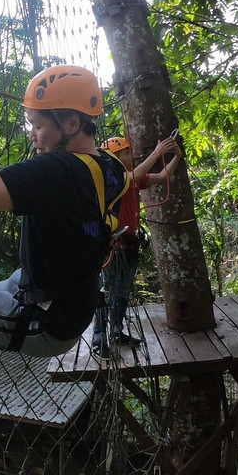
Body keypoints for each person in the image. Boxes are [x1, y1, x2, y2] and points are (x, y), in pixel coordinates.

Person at [0, 65, 129, 374]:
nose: (32, 135)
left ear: (72, 123)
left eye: (38, 125)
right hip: (74, 304)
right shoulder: (110, 165)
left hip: (45, 327)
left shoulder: (58, 170)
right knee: (8, 282)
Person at [91, 135, 182, 359]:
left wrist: (176, 157)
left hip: (129, 244)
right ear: (115, 156)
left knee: (121, 293)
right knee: (106, 293)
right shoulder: (112, 178)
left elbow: (161, 177)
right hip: (112, 247)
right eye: (125, 152)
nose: (129, 157)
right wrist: (158, 152)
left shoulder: (133, 177)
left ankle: (116, 332)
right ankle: (98, 339)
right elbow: (134, 176)